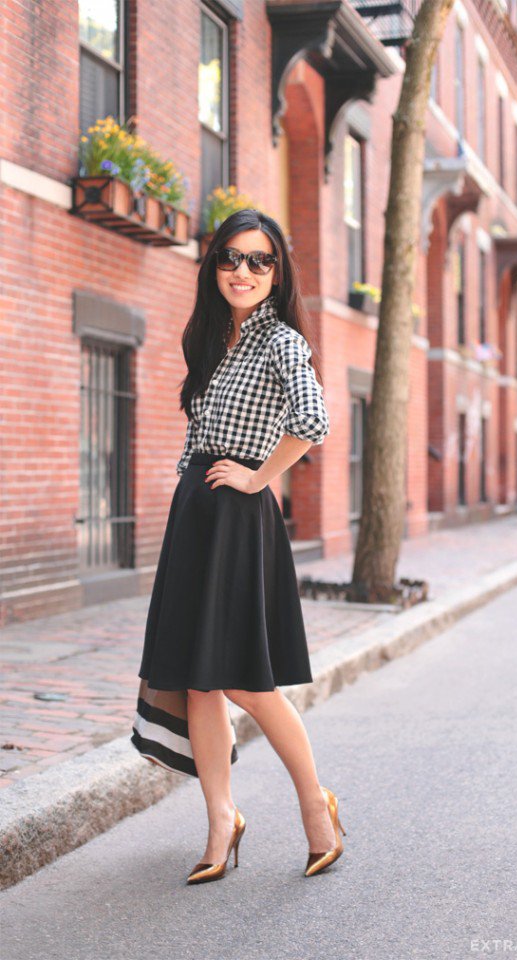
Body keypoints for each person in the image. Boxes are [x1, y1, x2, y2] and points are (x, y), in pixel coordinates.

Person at [131, 208, 346, 883]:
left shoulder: (280, 340)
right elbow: (198, 433)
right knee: (199, 678)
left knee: (246, 683)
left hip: (238, 511)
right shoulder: (208, 337)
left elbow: (314, 419)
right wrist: (192, 484)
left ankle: (316, 805)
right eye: (231, 257)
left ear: (277, 272)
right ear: (214, 265)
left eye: (259, 260)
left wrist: (258, 477)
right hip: (197, 509)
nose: (243, 271)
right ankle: (221, 820)